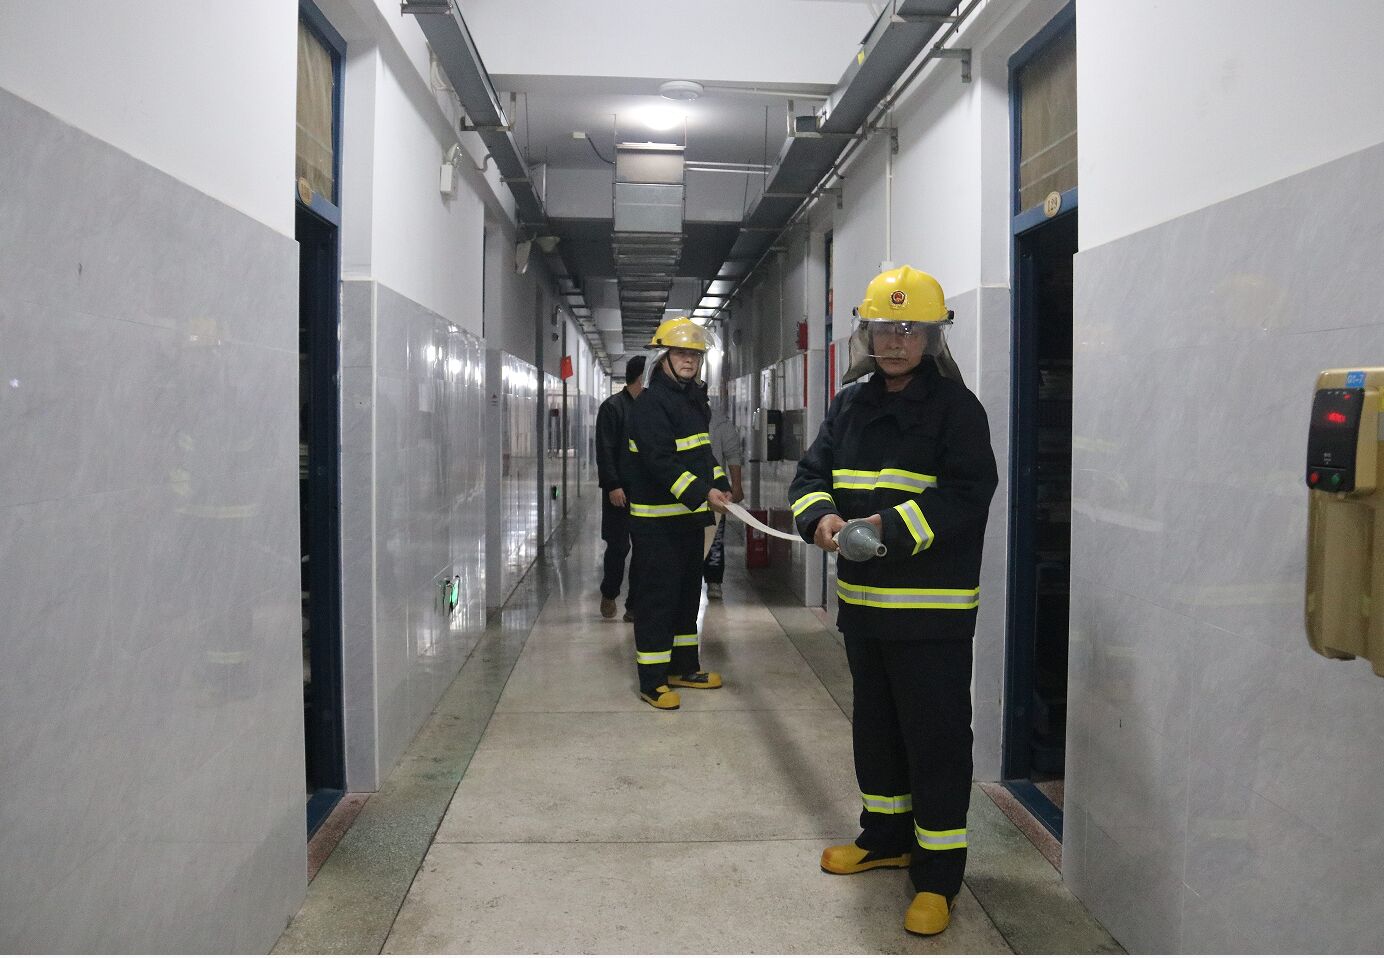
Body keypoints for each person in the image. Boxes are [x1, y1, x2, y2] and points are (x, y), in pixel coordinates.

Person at [788, 266, 997, 937]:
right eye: (885, 327)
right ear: (868, 334)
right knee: (875, 733)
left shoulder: (958, 410)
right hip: (865, 610)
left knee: (935, 742)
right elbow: (811, 475)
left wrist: (886, 528)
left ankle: (938, 876)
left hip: (931, 616)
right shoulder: (850, 404)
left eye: (910, 328)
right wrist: (820, 517)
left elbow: (967, 496)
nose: (896, 340)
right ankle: (884, 838)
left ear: (932, 336)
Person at [625, 317, 733, 709]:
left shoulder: (693, 400)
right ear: (664, 357)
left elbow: (703, 454)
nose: (689, 360)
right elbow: (661, 462)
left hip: (688, 519)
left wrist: (720, 483)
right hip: (656, 523)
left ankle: (684, 667)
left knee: (688, 594)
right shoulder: (651, 405)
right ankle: (652, 680)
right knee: (658, 599)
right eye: (682, 353)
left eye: (695, 354)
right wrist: (703, 492)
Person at [595, 355, 645, 621]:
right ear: (641, 378)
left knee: (643, 549)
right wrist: (613, 485)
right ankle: (609, 592)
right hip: (619, 492)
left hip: (644, 493)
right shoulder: (612, 408)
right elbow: (605, 449)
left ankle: (634, 606)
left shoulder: (650, 409)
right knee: (618, 546)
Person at [703, 401, 744, 599]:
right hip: (690, 490)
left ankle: (714, 580)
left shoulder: (719, 422)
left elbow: (733, 455)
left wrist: (736, 487)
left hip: (715, 491)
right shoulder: (678, 418)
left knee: (715, 538)